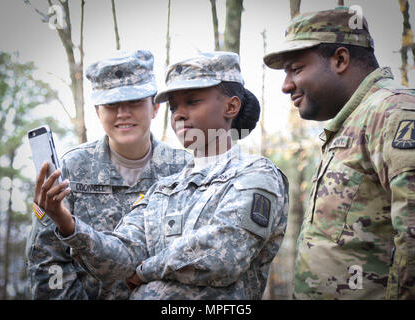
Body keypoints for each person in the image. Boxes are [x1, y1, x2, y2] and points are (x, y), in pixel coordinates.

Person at [33, 51, 289, 299]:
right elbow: (121, 255)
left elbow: (223, 255)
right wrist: (67, 224)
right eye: (174, 106)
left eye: (192, 101)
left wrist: (143, 273)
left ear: (231, 106)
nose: (179, 113)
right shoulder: (165, 189)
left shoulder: (255, 174)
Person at [263, 8, 415, 299]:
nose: (285, 86)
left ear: (340, 59)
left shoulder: (392, 112)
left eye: (296, 69)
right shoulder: (351, 123)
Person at [26, 50, 190, 299]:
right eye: (111, 104)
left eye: (135, 101)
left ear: (155, 107)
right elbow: (47, 261)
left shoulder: (183, 170)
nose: (123, 113)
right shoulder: (71, 169)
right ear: (97, 111)